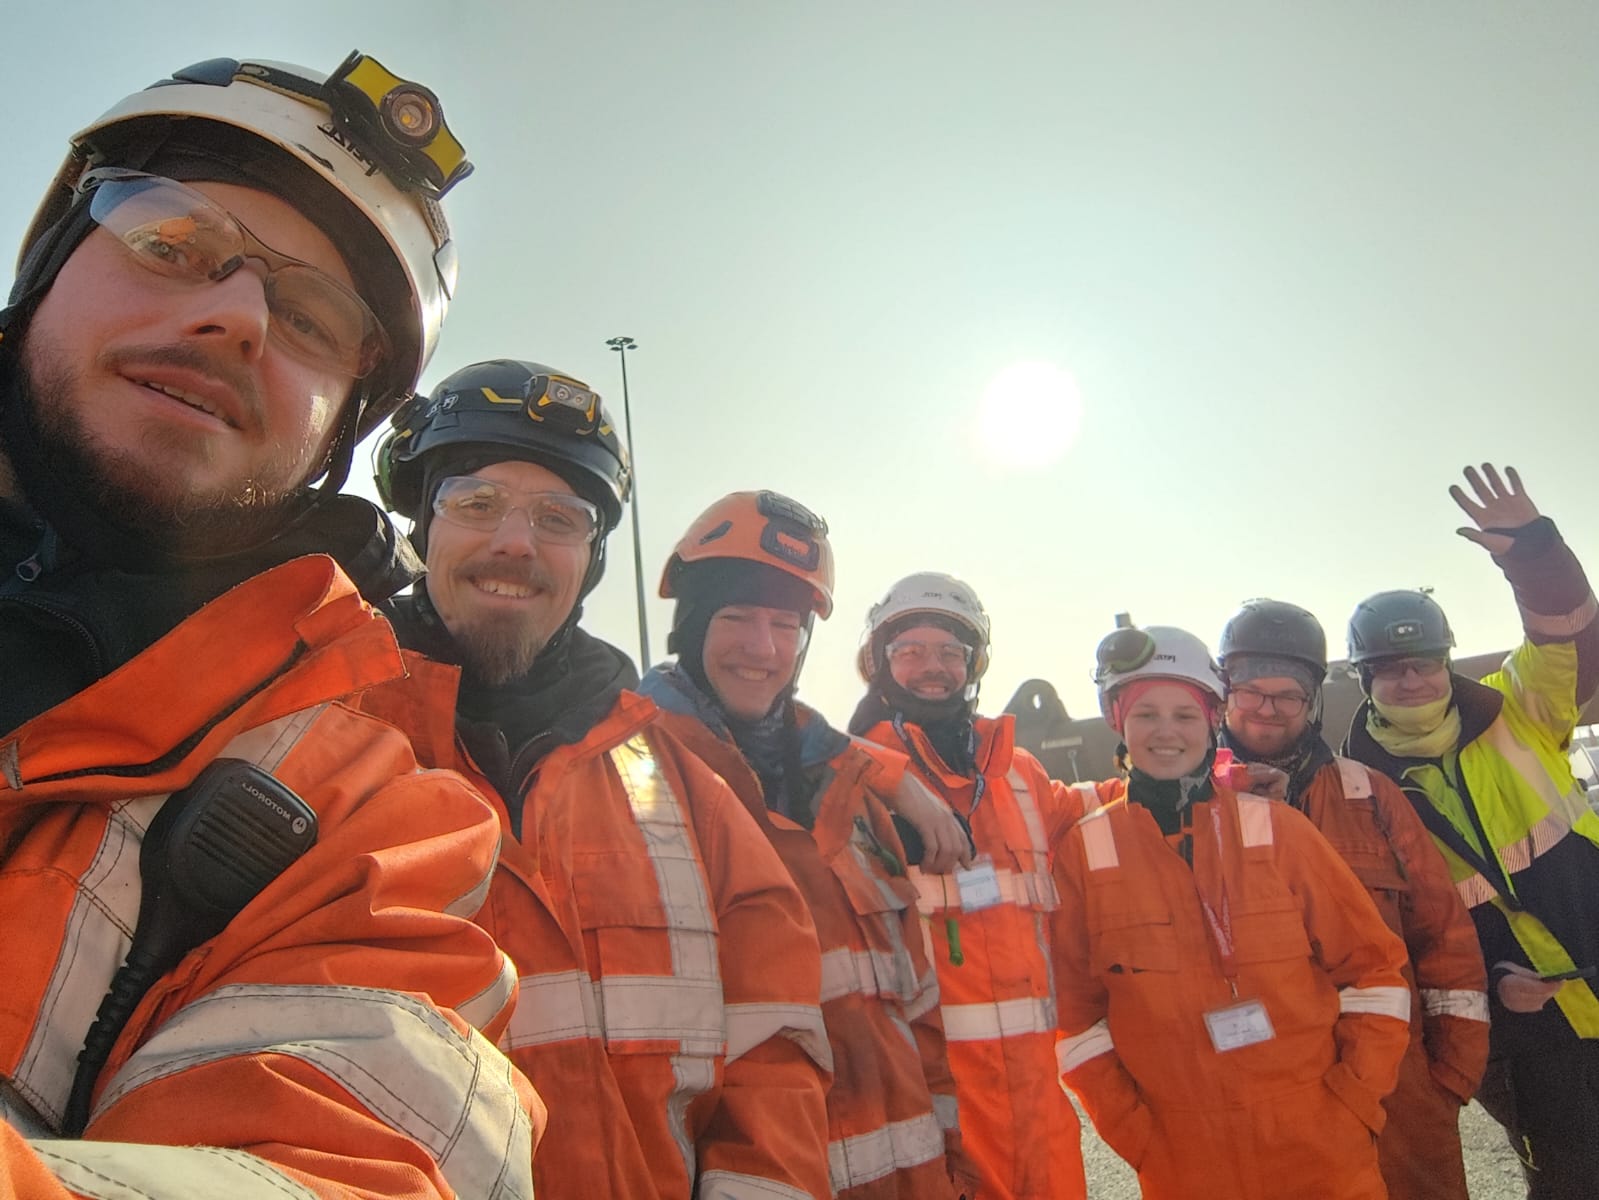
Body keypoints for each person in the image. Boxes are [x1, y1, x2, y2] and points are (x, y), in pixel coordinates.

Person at [0, 55, 537, 1197]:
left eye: (312, 317)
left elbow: (346, 1169)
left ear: (341, 427)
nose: (236, 316)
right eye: (171, 241)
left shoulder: (370, 825)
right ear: (47, 267)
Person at [373, 358, 835, 1198]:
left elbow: (774, 1037)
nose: (516, 541)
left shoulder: (677, 779)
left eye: (559, 517)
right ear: (420, 529)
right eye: (476, 502)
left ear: (589, 560)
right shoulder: (318, 743)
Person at [639, 492, 977, 1199]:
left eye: (785, 624)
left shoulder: (853, 794)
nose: (762, 648)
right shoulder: (632, 787)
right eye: (735, 618)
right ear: (690, 625)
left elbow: (917, 1014)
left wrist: (954, 1171)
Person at [1054, 625, 1412, 1200]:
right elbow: (1075, 1021)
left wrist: (1354, 1099)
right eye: (1145, 714)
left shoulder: (1281, 833)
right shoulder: (1085, 853)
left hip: (1322, 1151)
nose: (1166, 732)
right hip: (1184, 1164)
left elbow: (1375, 974)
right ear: (1117, 721)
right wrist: (1136, 1133)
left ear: (1212, 721)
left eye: (1185, 715)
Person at [1342, 464, 1599, 1199]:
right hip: (1514, 1036)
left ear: (1445, 661)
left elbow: (1571, 639)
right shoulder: (1355, 793)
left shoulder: (1518, 711)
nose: (1410, 680)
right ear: (1365, 679)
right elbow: (1395, 938)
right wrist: (1488, 989)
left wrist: (1533, 552)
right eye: (1388, 669)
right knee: (1570, 1182)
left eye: (1420, 662)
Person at [1218, 599, 1488, 1200]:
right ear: (1223, 693)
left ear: (1312, 700)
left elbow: (1442, 934)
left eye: (1287, 693)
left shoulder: (1370, 796)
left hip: (1400, 1091)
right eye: (1250, 690)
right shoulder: (1186, 813)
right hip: (1262, 1090)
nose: (1267, 708)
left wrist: (1450, 1076)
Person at [850, 572, 1087, 1200]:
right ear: (880, 665)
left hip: (1039, 1112)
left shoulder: (1017, 772)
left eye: (950, 652)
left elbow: (1089, 808)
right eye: (911, 652)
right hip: (934, 1109)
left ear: (974, 663)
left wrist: (1223, 782)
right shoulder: (852, 777)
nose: (934, 668)